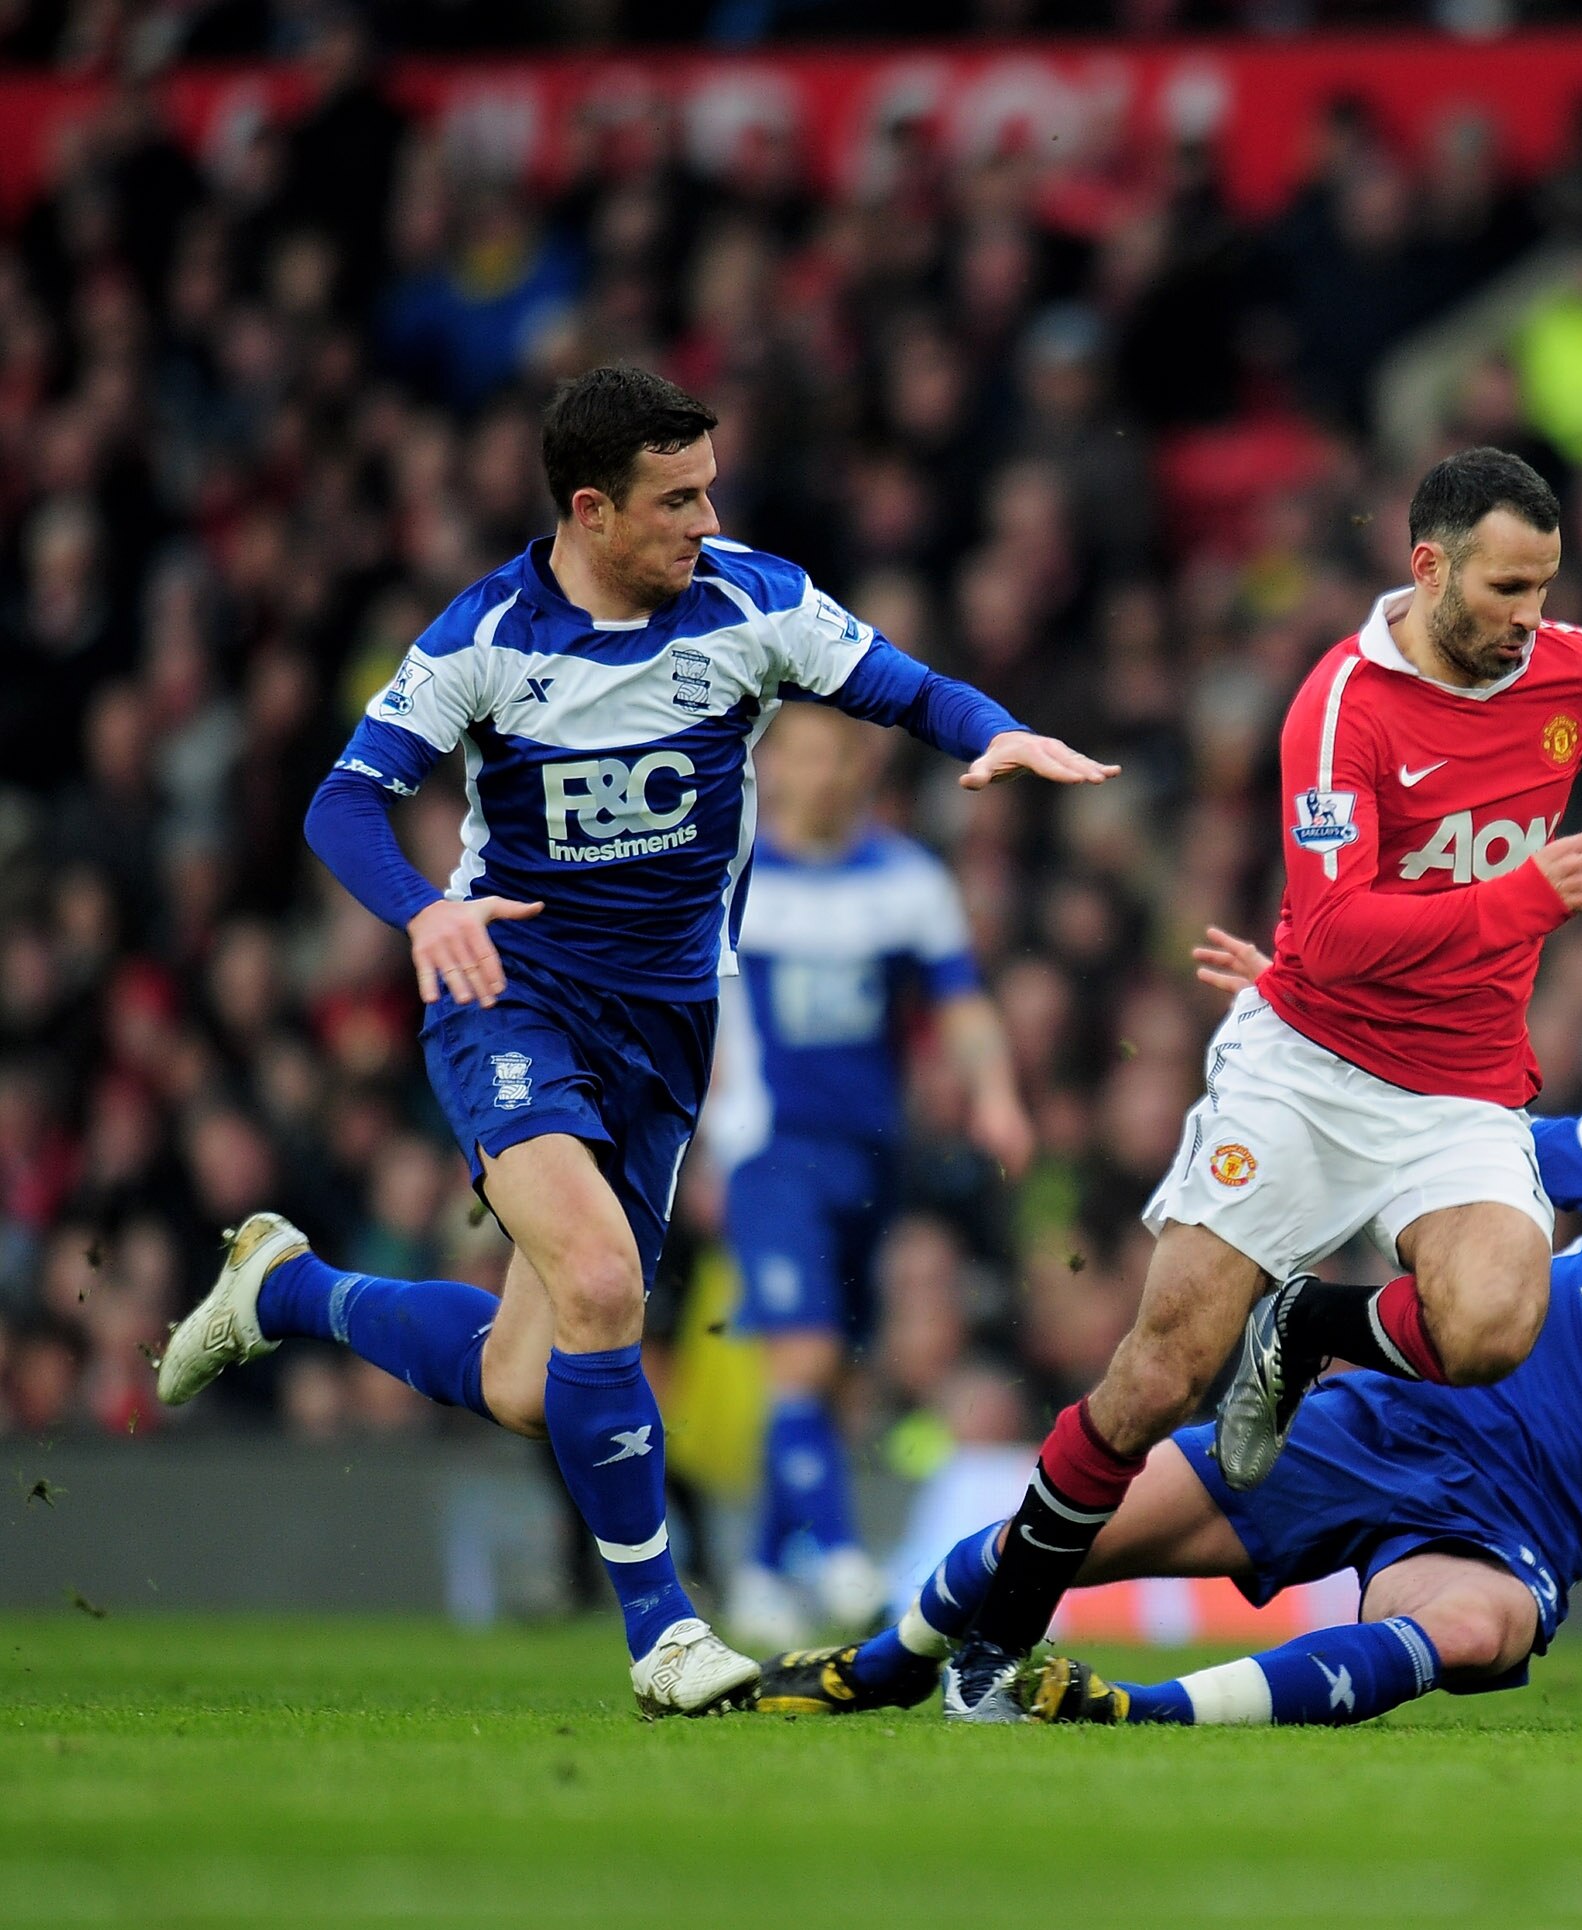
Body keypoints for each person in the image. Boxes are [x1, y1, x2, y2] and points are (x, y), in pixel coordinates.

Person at [152, 366, 1115, 1717]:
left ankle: (284, 1291)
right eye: (678, 498)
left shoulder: (752, 598)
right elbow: (343, 805)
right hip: (511, 999)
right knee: (602, 1284)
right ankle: (667, 1634)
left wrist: (998, 729)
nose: (705, 518)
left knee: (525, 1377)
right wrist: (426, 913)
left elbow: (898, 683)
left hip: (667, 1033)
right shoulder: (489, 633)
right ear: (592, 510)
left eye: (712, 486)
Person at [936, 445, 1582, 1714]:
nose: (1531, 617)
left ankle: (1311, 1325)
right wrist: (1518, 897)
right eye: (1506, 590)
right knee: (1159, 1371)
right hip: (1308, 1071)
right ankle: (993, 1647)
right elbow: (1341, 928)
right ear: (1428, 568)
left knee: (1492, 1324)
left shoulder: (1577, 671)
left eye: (1545, 586)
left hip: (1463, 1091)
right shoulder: (1340, 708)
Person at [753, 1010, 1582, 1739]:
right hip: (1383, 1415)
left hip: (1513, 1527)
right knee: (1085, 1524)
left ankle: (1134, 1713)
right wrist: (1306, 1044)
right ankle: (880, 1664)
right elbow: (1459, 1148)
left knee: (1477, 1631)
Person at [701, 702, 1038, 1650]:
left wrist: (996, 1093)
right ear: (772, 767)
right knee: (800, 1355)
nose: (814, 774)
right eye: (795, 756)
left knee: (832, 1378)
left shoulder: (905, 880)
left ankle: (764, 1574)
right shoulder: (729, 869)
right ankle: (844, 1560)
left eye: (830, 756)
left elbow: (960, 1004)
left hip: (870, 1153)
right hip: (767, 1145)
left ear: (859, 768)